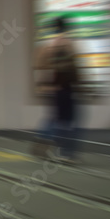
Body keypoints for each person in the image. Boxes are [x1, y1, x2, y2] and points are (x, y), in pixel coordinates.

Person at [32, 16, 81, 163]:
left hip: (52, 88)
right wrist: (77, 84)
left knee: (56, 117)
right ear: (67, 27)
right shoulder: (67, 44)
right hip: (65, 88)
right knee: (68, 121)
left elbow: (40, 64)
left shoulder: (49, 45)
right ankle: (66, 152)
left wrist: (44, 84)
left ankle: (43, 138)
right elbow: (71, 68)